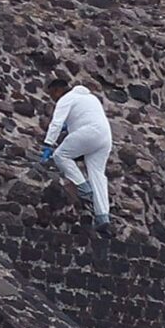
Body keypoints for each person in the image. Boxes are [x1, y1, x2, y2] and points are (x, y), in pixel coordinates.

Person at [36, 76, 114, 233]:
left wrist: (48, 144)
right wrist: (70, 126)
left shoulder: (66, 98)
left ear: (57, 90)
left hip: (88, 133)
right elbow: (84, 116)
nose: (53, 99)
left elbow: (56, 123)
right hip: (105, 137)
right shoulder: (90, 98)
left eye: (52, 94)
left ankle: (83, 187)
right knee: (98, 174)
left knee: (60, 155)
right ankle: (103, 217)